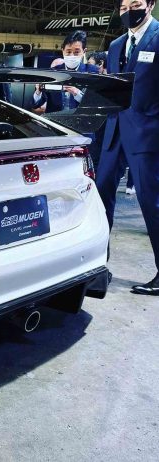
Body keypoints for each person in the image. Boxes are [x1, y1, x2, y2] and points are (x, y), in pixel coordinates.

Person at [96, 0, 159, 295]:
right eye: (123, 6)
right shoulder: (116, 45)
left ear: (150, 5)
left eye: (135, 4)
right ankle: (97, 267)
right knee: (100, 196)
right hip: (114, 131)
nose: (128, 10)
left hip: (147, 134)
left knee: (151, 202)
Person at [46, 30, 100, 113]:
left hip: (80, 118)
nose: (71, 55)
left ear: (84, 51)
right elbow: (38, 103)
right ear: (62, 50)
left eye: (76, 52)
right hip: (54, 119)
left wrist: (77, 94)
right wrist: (38, 92)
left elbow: (95, 103)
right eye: (68, 51)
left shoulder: (92, 72)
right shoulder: (53, 72)